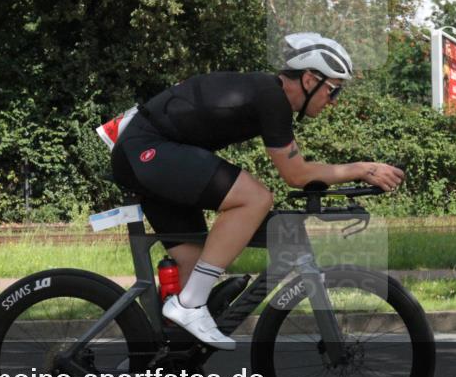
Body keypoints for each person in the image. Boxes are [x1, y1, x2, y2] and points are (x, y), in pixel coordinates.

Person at [106, 32, 404, 350]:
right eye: (333, 91)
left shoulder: (265, 94)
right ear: (309, 79)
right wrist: (363, 169)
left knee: (195, 268)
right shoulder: (271, 97)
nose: (332, 102)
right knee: (255, 197)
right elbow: (296, 174)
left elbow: (297, 170)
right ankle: (189, 305)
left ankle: (162, 366)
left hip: (153, 152)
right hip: (148, 149)